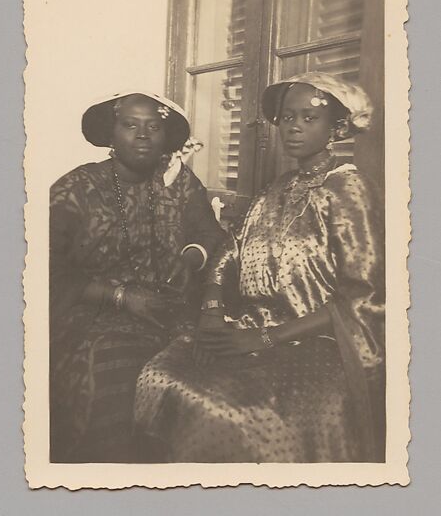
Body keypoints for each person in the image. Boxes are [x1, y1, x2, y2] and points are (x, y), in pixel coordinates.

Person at [134, 72, 385, 463]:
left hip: (321, 341)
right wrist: (213, 311)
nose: (294, 128)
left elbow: (361, 295)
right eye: (287, 117)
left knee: (239, 414)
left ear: (337, 127)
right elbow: (230, 250)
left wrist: (266, 339)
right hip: (250, 324)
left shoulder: (348, 189)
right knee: (164, 374)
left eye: (308, 118)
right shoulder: (277, 187)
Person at [49, 91, 224, 462]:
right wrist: (120, 297)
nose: (143, 135)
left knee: (215, 377)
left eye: (153, 126)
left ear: (165, 137)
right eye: (130, 125)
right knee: (121, 380)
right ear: (111, 134)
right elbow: (40, 264)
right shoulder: (76, 188)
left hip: (175, 311)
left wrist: (191, 258)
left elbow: (210, 235)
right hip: (97, 316)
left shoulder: (180, 183)